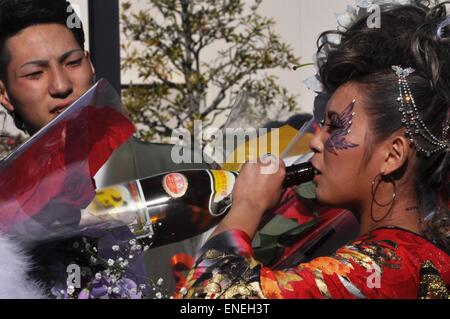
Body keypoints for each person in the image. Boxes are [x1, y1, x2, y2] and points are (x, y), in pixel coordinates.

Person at [179, 0, 450, 299]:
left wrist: (247, 208)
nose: (314, 141)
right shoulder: (426, 257)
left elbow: (207, 301)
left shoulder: (377, 271)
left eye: (334, 126)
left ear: (392, 155)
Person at [0, 0, 208, 297]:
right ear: (5, 93)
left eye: (73, 63)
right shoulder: (6, 204)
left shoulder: (181, 170)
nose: (61, 85)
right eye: (35, 73)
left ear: (91, 65)